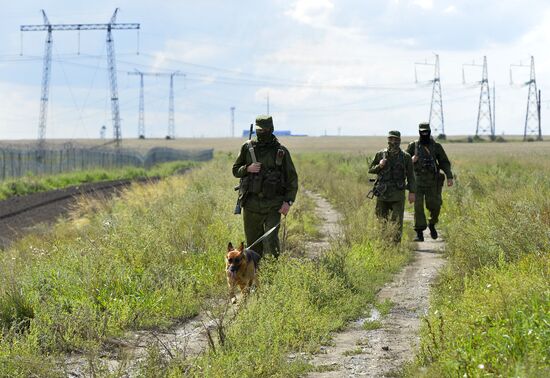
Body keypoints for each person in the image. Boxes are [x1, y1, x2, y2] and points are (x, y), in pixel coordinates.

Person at [232, 115, 298, 257]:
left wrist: (288, 201)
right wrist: (247, 168)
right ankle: (255, 276)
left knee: (271, 242)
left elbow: (292, 179)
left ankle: (272, 276)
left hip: (273, 205)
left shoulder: (281, 152)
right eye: (259, 130)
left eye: (265, 130)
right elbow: (235, 170)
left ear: (271, 129)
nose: (262, 133)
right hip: (251, 204)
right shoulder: (247, 147)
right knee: (253, 246)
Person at [406, 122, 454, 241]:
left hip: (433, 182)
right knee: (418, 207)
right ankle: (419, 232)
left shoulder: (436, 146)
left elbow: (444, 162)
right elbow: (404, 162)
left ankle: (432, 224)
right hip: (417, 182)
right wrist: (411, 160)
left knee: (436, 205)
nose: (424, 134)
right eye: (422, 132)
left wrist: (449, 176)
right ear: (419, 132)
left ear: (430, 132)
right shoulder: (413, 146)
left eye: (426, 132)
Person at [368, 130, 416, 243]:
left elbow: (411, 176)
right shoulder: (380, 154)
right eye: (391, 139)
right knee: (381, 220)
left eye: (395, 139)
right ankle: (383, 243)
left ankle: (395, 246)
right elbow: (371, 169)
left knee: (397, 220)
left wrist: (412, 192)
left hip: (398, 193)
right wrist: (379, 165)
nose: (393, 142)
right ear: (387, 140)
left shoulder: (406, 157)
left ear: (399, 140)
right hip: (382, 192)